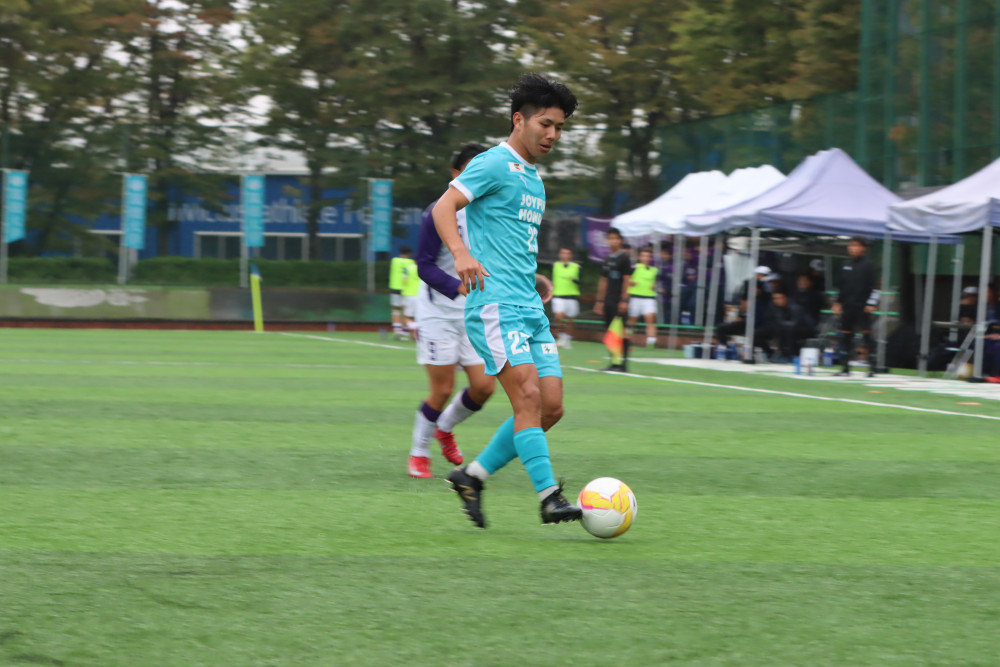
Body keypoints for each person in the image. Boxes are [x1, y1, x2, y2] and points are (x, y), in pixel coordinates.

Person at [431, 72, 581, 529]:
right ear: (519, 120)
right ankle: (549, 497)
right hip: (496, 306)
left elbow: (507, 240)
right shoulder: (494, 162)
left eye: (559, 127)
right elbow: (443, 207)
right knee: (528, 397)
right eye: (545, 124)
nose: (552, 134)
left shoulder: (534, 179)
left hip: (529, 307)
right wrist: (460, 254)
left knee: (550, 407)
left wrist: (531, 275)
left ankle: (472, 476)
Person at [408, 143, 497, 479]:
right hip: (438, 312)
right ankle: (419, 452)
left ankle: (444, 427)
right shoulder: (438, 211)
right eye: (471, 170)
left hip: (476, 312)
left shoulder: (492, 212)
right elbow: (424, 266)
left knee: (484, 387)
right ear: (456, 174)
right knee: (442, 390)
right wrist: (456, 287)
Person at [832, 236, 879, 377]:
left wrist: (871, 303)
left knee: (866, 336)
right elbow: (840, 286)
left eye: (856, 245)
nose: (852, 248)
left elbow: (875, 286)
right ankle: (845, 367)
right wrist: (837, 302)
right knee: (846, 336)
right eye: (851, 245)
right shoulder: (844, 264)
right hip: (847, 306)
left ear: (863, 248)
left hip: (862, 307)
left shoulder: (869, 265)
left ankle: (872, 367)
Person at [594, 227, 632, 371]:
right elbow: (603, 281)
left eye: (615, 238)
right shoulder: (608, 258)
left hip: (618, 300)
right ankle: (614, 362)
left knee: (621, 331)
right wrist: (599, 301)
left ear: (620, 240)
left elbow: (627, 280)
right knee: (610, 332)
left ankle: (623, 363)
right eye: (610, 238)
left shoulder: (624, 258)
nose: (612, 241)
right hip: (608, 300)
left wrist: (624, 300)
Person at [715, 265, 773, 352]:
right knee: (721, 328)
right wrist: (740, 315)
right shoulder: (747, 293)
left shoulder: (766, 297)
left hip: (760, 324)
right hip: (747, 322)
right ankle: (726, 349)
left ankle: (768, 352)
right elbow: (743, 307)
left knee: (755, 334)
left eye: (761, 275)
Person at [763, 289, 813, 362]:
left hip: (805, 329)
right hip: (788, 328)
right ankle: (770, 353)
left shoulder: (794, 307)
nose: (776, 301)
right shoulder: (774, 307)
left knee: (786, 330)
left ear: (785, 298)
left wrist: (780, 324)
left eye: (778, 298)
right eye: (774, 299)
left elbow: (796, 323)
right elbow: (770, 320)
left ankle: (788, 356)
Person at [627, 246, 659, 347]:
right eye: (643, 256)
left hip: (649, 298)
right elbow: (626, 280)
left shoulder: (655, 270)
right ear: (639, 257)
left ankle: (651, 341)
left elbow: (658, 282)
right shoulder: (633, 268)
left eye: (648, 256)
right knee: (632, 321)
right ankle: (627, 338)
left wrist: (655, 286)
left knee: (650, 319)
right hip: (635, 298)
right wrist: (631, 283)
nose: (646, 258)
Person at [550, 246, 580, 348]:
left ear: (571, 255)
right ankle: (561, 336)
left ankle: (567, 339)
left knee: (570, 320)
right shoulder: (556, 265)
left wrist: (575, 280)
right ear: (560, 255)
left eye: (567, 253)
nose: (565, 255)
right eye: (563, 253)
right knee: (558, 317)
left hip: (572, 296)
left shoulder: (576, 266)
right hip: (558, 296)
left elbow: (580, 280)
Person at [388, 246, 416, 339]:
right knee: (405, 312)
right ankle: (405, 332)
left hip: (394, 288)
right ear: (409, 253)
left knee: (396, 310)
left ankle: (397, 330)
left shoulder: (394, 261)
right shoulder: (411, 263)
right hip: (406, 290)